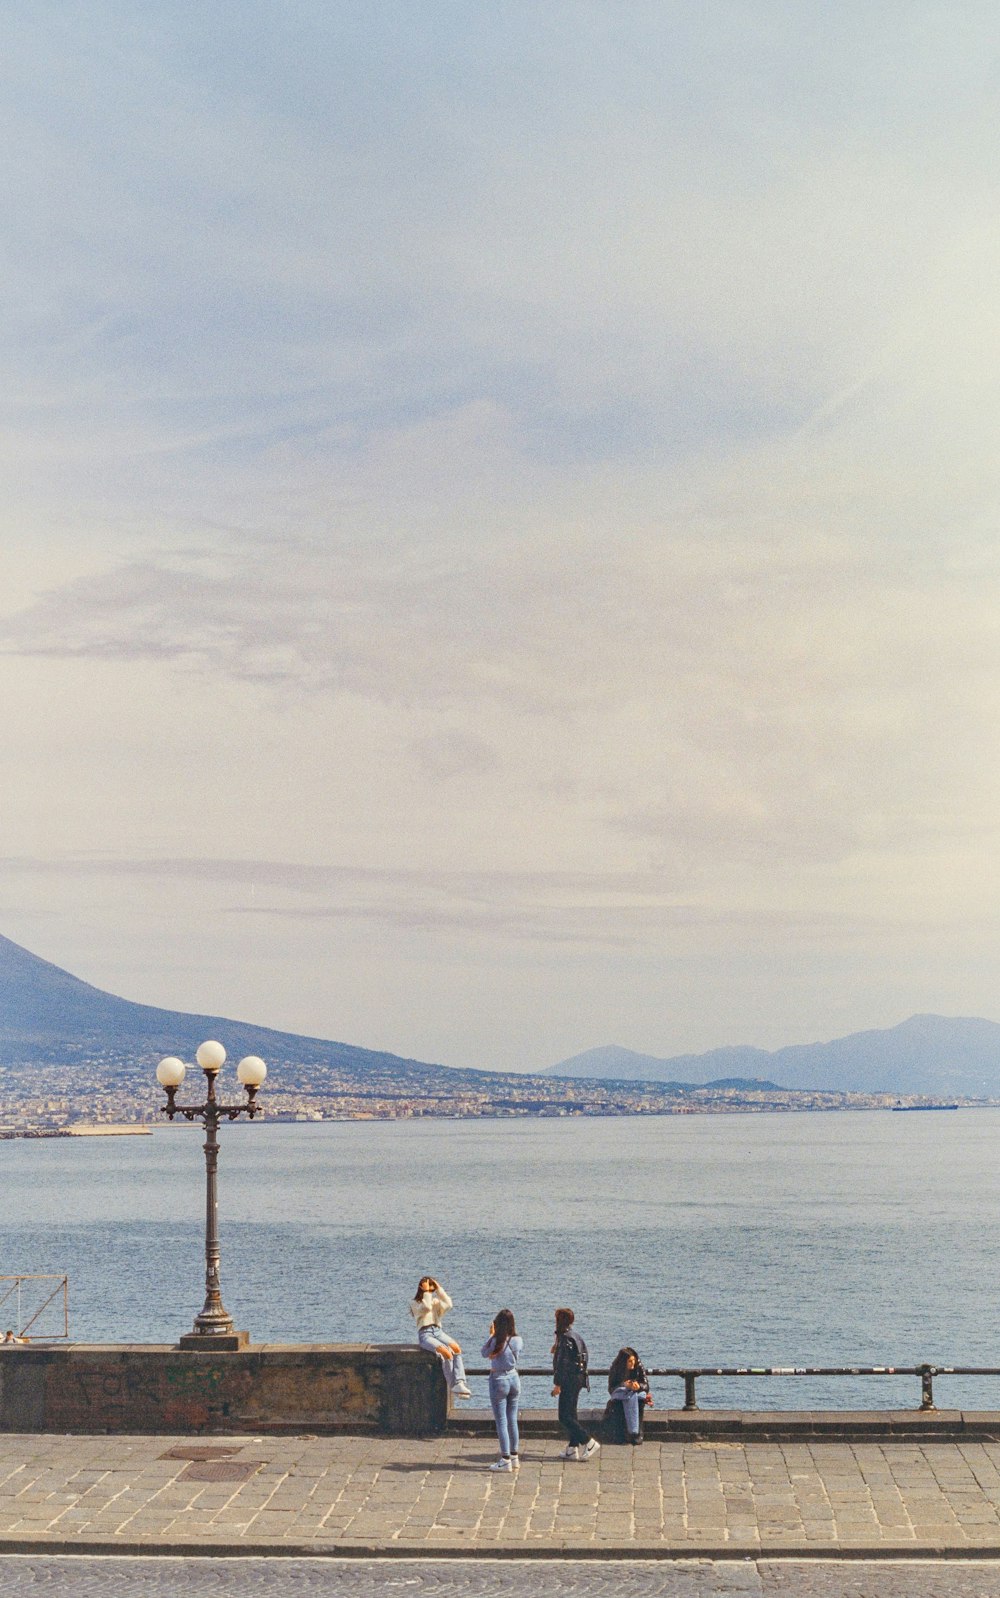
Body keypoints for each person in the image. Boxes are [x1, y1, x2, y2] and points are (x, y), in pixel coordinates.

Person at [410, 1276, 472, 1400]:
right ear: (422, 1288)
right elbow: (426, 1307)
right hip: (425, 1334)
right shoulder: (415, 1303)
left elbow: (449, 1304)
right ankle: (453, 1385)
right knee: (446, 1352)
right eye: (428, 1288)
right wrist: (426, 1292)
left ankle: (459, 1383)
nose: (430, 1292)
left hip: (438, 1331)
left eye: (431, 1289)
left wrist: (439, 1289)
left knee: (456, 1348)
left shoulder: (435, 1302)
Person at [551, 1306, 599, 1461]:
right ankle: (572, 1448)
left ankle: (588, 1441)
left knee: (564, 1416)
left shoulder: (565, 1339)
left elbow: (562, 1364)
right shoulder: (575, 1336)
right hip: (578, 1378)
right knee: (571, 1413)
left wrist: (557, 1384)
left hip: (569, 1380)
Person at [481, 1308, 522, 1472]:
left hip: (498, 1380)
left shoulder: (496, 1340)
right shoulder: (518, 1340)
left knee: (501, 1421)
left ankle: (505, 1459)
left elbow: (484, 1353)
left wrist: (492, 1335)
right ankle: (514, 1456)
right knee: (512, 1419)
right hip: (514, 1378)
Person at [607, 1346, 653, 1444]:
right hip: (621, 1395)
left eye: (633, 1361)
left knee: (639, 1401)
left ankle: (637, 1433)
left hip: (635, 1394)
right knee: (619, 1403)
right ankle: (621, 1435)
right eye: (630, 1361)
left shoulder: (638, 1367)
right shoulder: (615, 1368)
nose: (633, 1363)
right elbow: (611, 1388)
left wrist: (638, 1386)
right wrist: (623, 1385)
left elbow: (646, 1385)